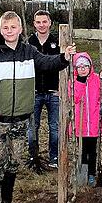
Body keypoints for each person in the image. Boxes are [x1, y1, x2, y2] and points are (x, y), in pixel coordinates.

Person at [0, 11, 75, 203]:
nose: (9, 31)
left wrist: (64, 57)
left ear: (20, 29)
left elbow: (48, 63)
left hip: (22, 118)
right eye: (5, 28)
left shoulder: (29, 51)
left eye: (13, 27)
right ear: (0, 30)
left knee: (14, 161)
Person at [27, 10, 61, 168]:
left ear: (50, 23)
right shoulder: (28, 43)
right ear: (34, 24)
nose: (41, 25)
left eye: (44, 22)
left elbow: (63, 65)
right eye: (38, 22)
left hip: (54, 92)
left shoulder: (57, 42)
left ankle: (54, 157)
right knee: (33, 126)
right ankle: (33, 157)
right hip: (34, 91)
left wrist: (61, 87)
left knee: (54, 126)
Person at [69, 52, 102, 187]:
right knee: (81, 151)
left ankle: (91, 174)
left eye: (85, 66)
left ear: (90, 66)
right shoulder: (73, 81)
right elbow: (74, 98)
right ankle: (82, 174)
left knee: (93, 151)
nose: (82, 69)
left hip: (94, 123)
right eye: (79, 67)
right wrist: (80, 82)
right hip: (80, 125)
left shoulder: (97, 79)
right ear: (75, 68)